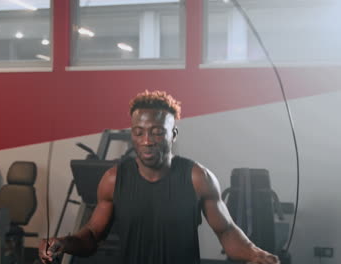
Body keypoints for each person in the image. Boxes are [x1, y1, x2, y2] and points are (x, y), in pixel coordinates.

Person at [38, 90, 280, 264]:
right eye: (139, 132)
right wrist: (64, 243)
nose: (146, 141)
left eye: (156, 132)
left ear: (172, 134)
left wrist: (253, 253)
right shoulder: (113, 179)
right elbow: (91, 236)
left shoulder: (197, 178)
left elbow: (226, 231)